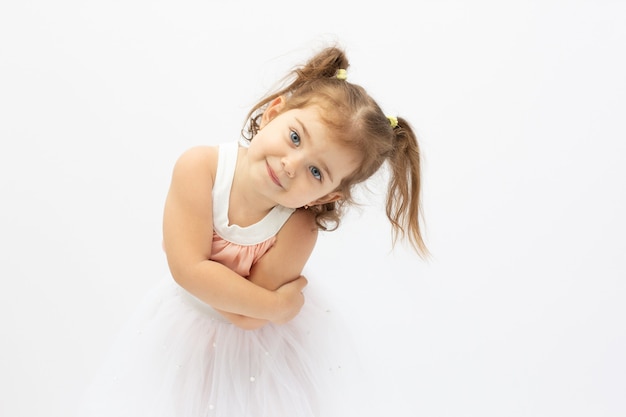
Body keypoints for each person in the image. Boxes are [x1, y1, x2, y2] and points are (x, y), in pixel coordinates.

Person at [79, 45, 427, 417]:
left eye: (316, 172)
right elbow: (189, 273)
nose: (292, 165)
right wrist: (277, 305)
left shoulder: (299, 227)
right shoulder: (200, 168)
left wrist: (200, 273)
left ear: (327, 194)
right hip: (184, 331)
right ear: (273, 113)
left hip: (258, 352)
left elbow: (248, 319)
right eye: (295, 138)